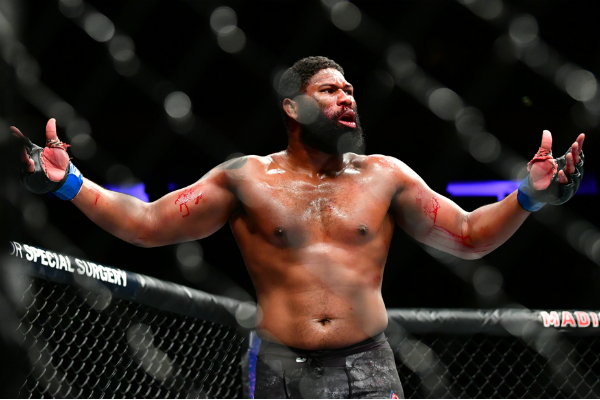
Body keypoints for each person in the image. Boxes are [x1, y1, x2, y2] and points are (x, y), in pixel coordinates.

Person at [11, 56, 585, 398]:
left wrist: (529, 196)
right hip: (281, 367)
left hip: (369, 365)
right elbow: (146, 224)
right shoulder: (246, 179)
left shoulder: (384, 175)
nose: (346, 98)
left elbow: (469, 236)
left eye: (350, 90)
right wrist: (67, 184)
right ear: (293, 107)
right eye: (329, 90)